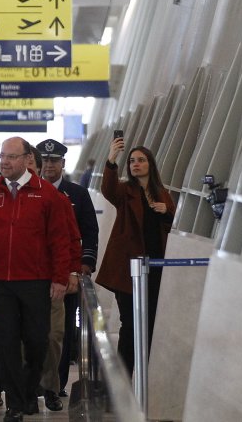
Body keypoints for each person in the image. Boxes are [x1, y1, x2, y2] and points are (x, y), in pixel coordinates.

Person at [0, 136, 74, 422]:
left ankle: (27, 389)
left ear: (27, 160)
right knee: (6, 342)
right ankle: (15, 404)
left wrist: (60, 278)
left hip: (35, 280)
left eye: (11, 157)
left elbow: (61, 241)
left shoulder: (47, 194)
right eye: (2, 157)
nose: (5, 162)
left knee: (38, 341)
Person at [96, 136, 176, 376]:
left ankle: (144, 378)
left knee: (150, 324)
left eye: (141, 160)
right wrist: (112, 159)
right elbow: (108, 190)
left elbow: (172, 227)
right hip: (128, 271)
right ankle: (123, 380)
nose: (136, 164)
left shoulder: (163, 194)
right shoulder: (124, 191)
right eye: (132, 161)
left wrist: (167, 212)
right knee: (130, 325)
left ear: (150, 164)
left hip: (155, 270)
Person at [38, 139, 99, 403]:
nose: (49, 165)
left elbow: (89, 232)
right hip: (35, 274)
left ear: (63, 163)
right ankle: (36, 379)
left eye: (54, 161)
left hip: (67, 275)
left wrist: (82, 266)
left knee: (61, 331)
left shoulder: (77, 194)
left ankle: (56, 383)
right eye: (46, 161)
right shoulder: (31, 191)